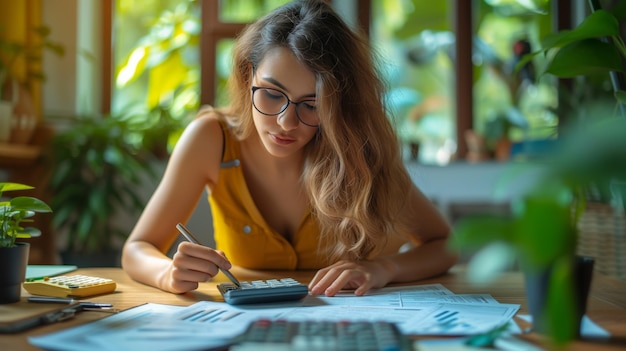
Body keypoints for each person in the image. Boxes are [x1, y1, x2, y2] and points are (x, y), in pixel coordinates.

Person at [121, 0, 458, 297]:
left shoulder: (360, 148)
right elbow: (137, 248)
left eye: (312, 104)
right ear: (247, 75)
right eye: (271, 93)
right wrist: (168, 273)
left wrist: (385, 269)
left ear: (339, 106)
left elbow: (445, 245)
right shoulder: (211, 139)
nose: (285, 122)